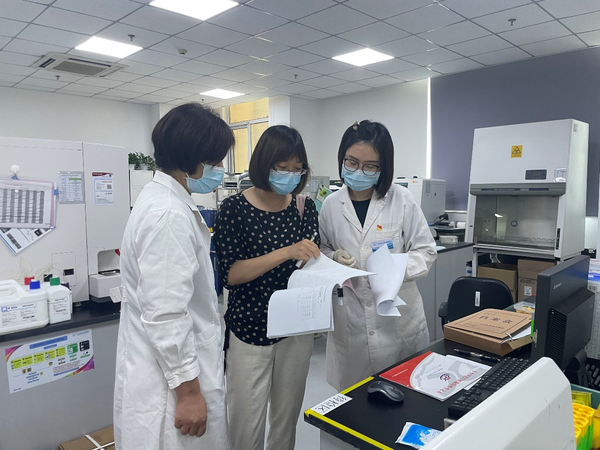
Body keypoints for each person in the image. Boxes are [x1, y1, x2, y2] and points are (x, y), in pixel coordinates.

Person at [114, 103, 234, 450]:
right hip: (171, 387)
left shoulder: (162, 200)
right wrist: (189, 393)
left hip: (168, 371)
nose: (220, 169)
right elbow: (166, 314)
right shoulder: (168, 215)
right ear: (191, 158)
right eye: (215, 161)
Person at [213, 125, 320, 450]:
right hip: (249, 331)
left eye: (297, 168)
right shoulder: (234, 209)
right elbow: (231, 274)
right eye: (282, 167)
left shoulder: (304, 207)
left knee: (285, 423)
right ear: (263, 164)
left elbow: (309, 264)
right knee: (246, 425)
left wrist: (329, 263)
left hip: (295, 331)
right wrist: (286, 252)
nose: (290, 175)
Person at [319, 120, 437, 391]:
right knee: (355, 404)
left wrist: (396, 269)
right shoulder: (331, 205)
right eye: (352, 162)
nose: (359, 171)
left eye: (370, 166)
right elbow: (322, 249)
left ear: (383, 167)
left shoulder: (402, 199)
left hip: (399, 324)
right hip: (351, 323)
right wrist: (334, 256)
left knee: (406, 398)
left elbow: (426, 251)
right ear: (342, 159)